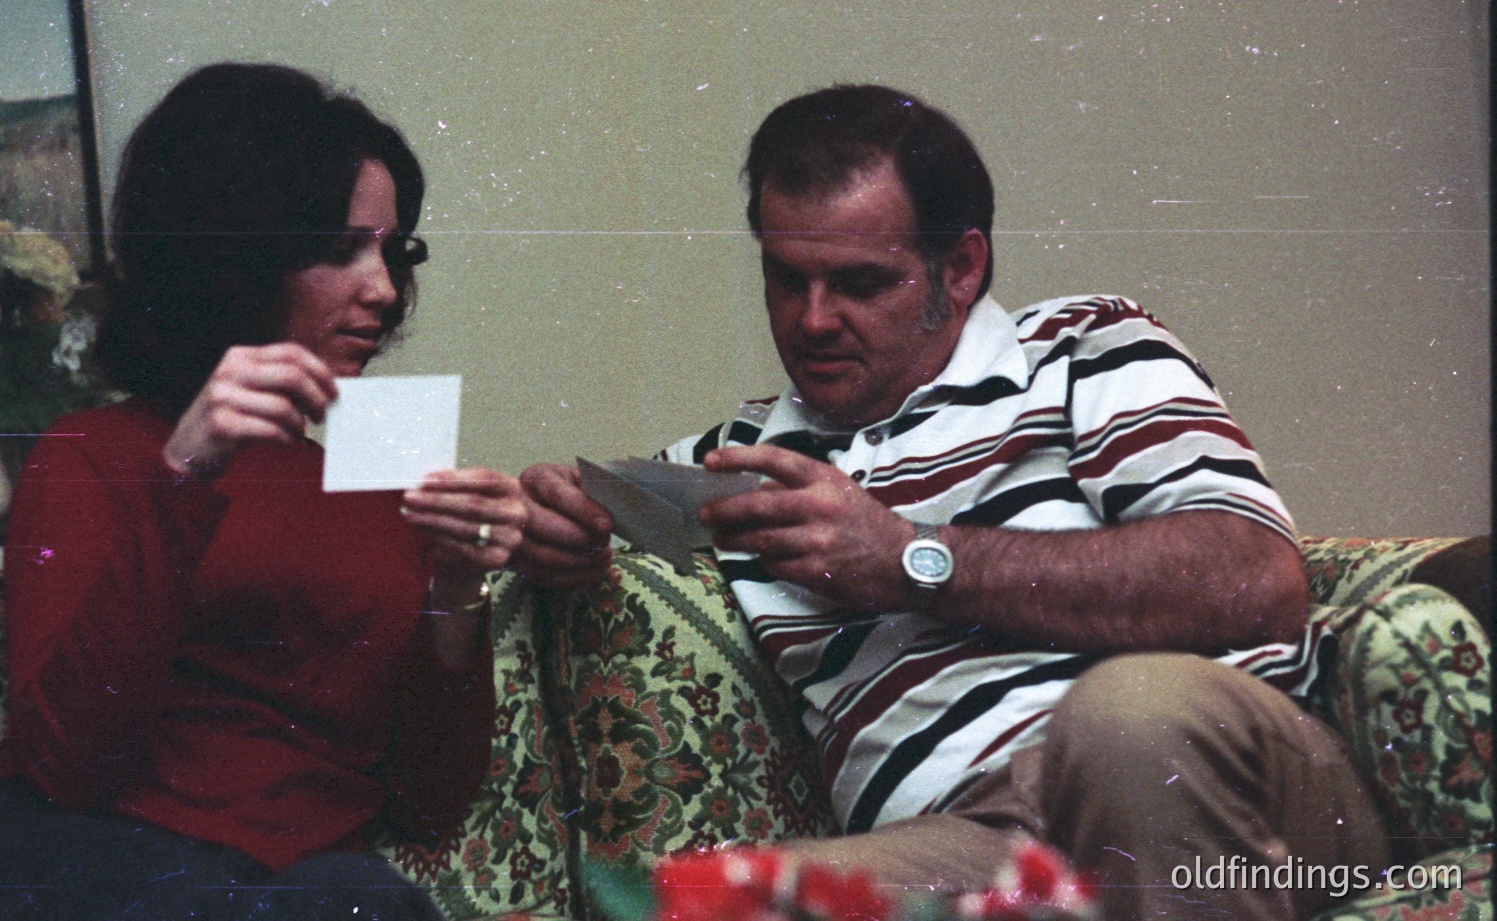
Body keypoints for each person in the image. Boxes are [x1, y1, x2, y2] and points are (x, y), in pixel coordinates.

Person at [516, 84, 1389, 920]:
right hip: (975, 839)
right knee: (714, 906)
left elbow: (1257, 579)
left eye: (860, 284)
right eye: (786, 279)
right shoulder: (739, 462)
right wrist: (558, 521)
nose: (812, 321)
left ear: (962, 266)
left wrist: (909, 557)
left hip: (1209, 777)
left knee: (1126, 719)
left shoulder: (1085, 349)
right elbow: (576, 503)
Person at [0, 64, 526, 921]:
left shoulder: (381, 483)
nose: (384, 290)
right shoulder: (96, 451)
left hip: (295, 893)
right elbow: (70, 770)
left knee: (361, 899)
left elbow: (428, 806)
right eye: (339, 248)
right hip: (73, 863)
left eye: (393, 252)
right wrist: (184, 474)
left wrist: (458, 586)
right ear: (232, 256)